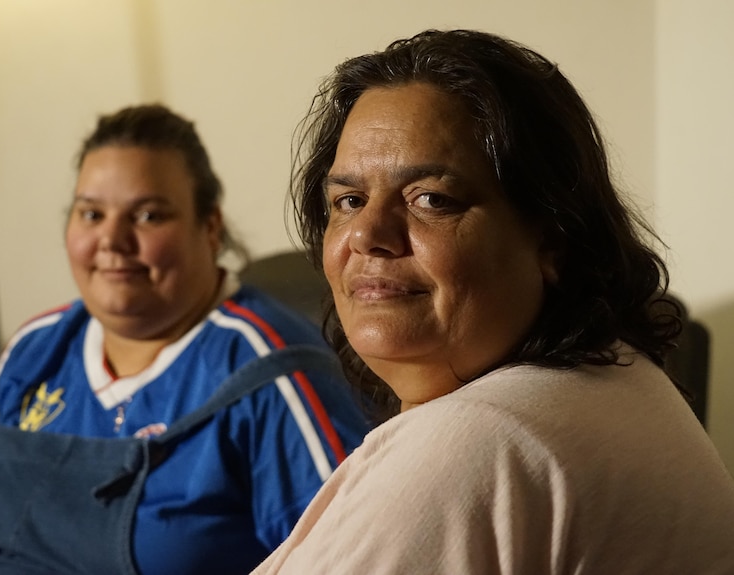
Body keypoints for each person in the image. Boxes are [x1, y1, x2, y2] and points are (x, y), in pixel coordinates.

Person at [253, 29, 734, 573]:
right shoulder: (615, 376)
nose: (368, 233)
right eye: (349, 200)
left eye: (432, 199)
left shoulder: (476, 445)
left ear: (553, 239)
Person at [0, 104, 370, 575]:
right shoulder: (32, 350)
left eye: (148, 215)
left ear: (210, 227)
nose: (112, 240)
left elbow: (349, 555)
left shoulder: (274, 374)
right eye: (91, 214)